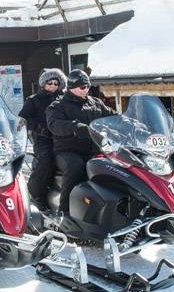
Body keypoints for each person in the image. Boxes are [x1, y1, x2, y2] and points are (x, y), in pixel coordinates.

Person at [45, 69, 115, 214]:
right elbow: (54, 125)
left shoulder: (96, 103)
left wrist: (131, 123)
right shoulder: (58, 106)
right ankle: (64, 211)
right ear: (71, 87)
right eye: (82, 87)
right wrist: (75, 127)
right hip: (68, 151)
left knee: (115, 166)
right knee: (76, 166)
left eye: (88, 86)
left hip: (94, 150)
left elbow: (113, 116)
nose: (86, 90)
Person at [18, 68, 66, 206]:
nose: (52, 86)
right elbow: (23, 119)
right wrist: (38, 127)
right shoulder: (34, 100)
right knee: (46, 159)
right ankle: (35, 193)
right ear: (43, 83)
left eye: (56, 84)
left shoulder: (63, 100)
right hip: (43, 138)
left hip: (62, 137)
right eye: (49, 83)